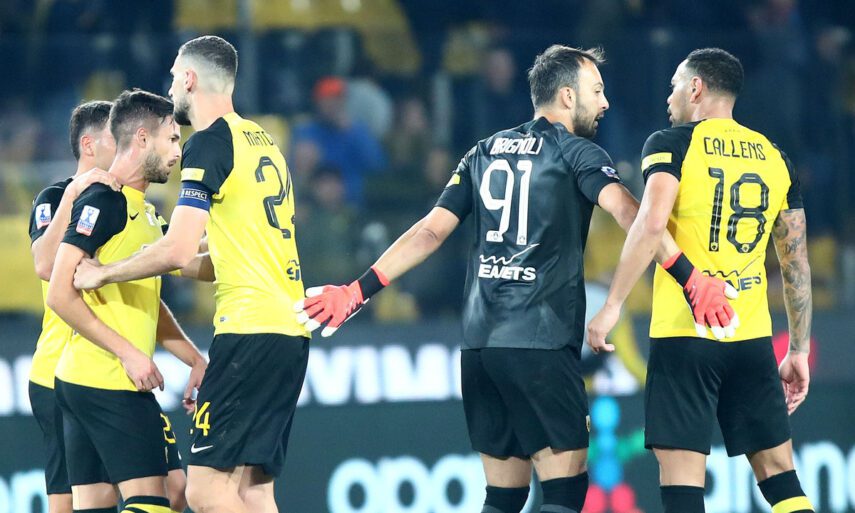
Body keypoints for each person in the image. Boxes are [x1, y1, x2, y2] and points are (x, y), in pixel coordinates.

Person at [294, 45, 736, 513]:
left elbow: (430, 232)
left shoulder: (482, 152)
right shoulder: (578, 152)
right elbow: (634, 215)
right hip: (541, 344)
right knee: (565, 491)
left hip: (480, 348)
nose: (605, 103)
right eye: (596, 91)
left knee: (504, 497)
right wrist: (690, 277)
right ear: (567, 96)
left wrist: (357, 290)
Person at [73, 36, 310, 513]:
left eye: (172, 77)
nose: (170, 88)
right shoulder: (263, 141)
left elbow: (179, 249)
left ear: (189, 78)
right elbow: (220, 257)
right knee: (252, 490)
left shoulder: (208, 143)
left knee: (204, 492)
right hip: (289, 331)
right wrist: (154, 259)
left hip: (248, 332)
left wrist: (105, 273)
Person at [587, 48, 814, 513]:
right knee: (781, 478)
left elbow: (651, 223)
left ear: (696, 88)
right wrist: (798, 349)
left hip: (684, 336)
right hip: (751, 336)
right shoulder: (776, 158)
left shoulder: (671, 143)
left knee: (683, 486)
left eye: (674, 85)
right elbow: (796, 264)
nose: (669, 96)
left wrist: (612, 305)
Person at [47, 90, 209, 513]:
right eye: (171, 140)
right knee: (155, 501)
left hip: (88, 382)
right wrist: (129, 354)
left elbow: (150, 297)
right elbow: (59, 293)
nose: (178, 152)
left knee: (151, 495)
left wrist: (194, 358)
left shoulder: (146, 211)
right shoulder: (105, 200)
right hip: (110, 381)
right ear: (141, 138)